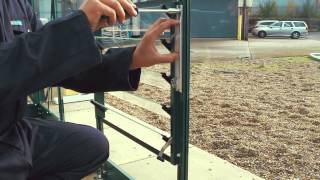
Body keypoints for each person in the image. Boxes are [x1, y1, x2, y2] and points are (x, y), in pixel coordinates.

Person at [0, 0, 179, 179]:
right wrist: (73, 28)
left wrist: (131, 60)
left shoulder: (18, 4)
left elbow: (55, 66)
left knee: (92, 145)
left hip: (12, 131)